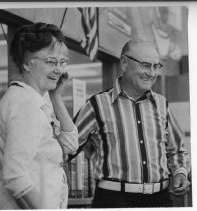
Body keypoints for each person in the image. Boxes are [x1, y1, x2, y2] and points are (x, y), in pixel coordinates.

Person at [71, 39, 190, 208]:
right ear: (124, 63)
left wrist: (180, 173)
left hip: (160, 201)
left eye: (156, 66)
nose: (152, 73)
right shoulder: (96, 105)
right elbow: (66, 149)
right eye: (145, 65)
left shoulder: (162, 104)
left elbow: (177, 150)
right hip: (114, 201)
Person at [0, 22, 78, 209]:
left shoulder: (37, 99)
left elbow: (71, 145)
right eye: (50, 62)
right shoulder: (25, 103)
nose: (60, 70)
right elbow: (15, 176)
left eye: (62, 62)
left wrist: (56, 96)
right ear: (26, 63)